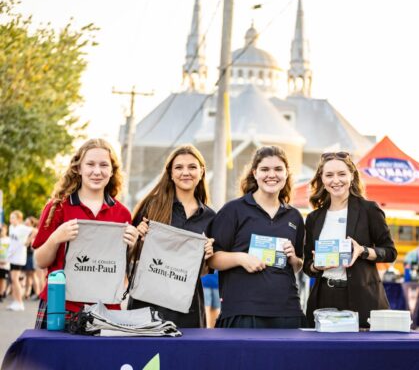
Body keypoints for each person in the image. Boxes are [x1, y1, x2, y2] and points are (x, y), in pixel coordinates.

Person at [32, 138, 139, 328]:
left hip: (106, 310)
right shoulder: (57, 208)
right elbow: (40, 261)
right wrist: (56, 237)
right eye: (90, 164)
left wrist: (133, 244)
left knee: (102, 359)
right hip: (61, 307)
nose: (97, 171)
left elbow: (121, 268)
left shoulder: (122, 214)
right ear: (78, 168)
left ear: (112, 171)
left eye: (104, 165)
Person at [208, 146, 306, 329]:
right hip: (242, 311)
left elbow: (298, 265)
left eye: (278, 169)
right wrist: (240, 258)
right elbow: (212, 259)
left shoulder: (294, 216)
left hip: (287, 312)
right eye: (265, 169)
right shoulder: (233, 210)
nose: (272, 175)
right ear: (254, 173)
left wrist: (293, 258)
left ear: (286, 174)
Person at [303, 151, 397, 328]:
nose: (335, 180)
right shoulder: (314, 218)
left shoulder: (368, 210)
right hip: (324, 297)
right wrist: (316, 266)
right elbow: (308, 264)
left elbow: (390, 252)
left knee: (360, 355)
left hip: (362, 298)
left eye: (341, 174)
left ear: (352, 176)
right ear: (322, 179)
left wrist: (364, 251)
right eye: (329, 175)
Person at [128, 144, 215, 328]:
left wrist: (209, 255)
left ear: (201, 171)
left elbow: (206, 270)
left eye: (192, 167)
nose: (186, 172)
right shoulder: (152, 205)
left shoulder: (210, 217)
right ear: (170, 173)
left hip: (188, 307)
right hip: (148, 302)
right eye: (179, 167)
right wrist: (137, 238)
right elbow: (129, 253)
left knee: (187, 356)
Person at [7, 210, 32, 311]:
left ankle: (20, 303)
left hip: (19, 257)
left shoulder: (22, 228)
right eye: (10, 217)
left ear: (19, 219)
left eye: (13, 217)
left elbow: (35, 231)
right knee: (13, 279)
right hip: (12, 256)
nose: (11, 219)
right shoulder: (11, 227)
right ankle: (16, 301)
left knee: (15, 279)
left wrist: (27, 242)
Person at [23, 216, 42, 301]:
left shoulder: (33, 230)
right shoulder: (26, 231)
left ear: (31, 224)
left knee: (33, 274)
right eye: (25, 223)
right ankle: (27, 293)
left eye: (27, 223)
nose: (25, 224)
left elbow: (27, 242)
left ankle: (38, 293)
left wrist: (27, 240)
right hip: (26, 254)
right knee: (28, 275)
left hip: (31, 254)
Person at [0, 225, 10, 303]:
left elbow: (11, 251)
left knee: (3, 279)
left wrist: (7, 260)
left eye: (3, 230)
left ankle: (1, 294)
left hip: (5, 263)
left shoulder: (9, 240)